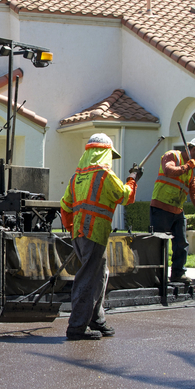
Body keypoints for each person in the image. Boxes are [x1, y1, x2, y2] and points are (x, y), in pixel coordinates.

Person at [59, 133, 141, 341]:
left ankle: (97, 320)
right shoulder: (105, 175)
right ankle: (77, 326)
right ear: (105, 153)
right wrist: (133, 179)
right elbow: (125, 196)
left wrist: (72, 229)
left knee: (100, 274)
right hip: (94, 234)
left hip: (79, 234)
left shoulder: (77, 177)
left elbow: (66, 205)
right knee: (88, 278)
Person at [150, 136, 195, 283]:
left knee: (181, 243)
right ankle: (157, 276)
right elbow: (168, 170)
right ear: (193, 149)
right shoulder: (172, 156)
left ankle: (178, 273)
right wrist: (186, 167)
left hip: (177, 210)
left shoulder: (193, 169)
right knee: (159, 243)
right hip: (161, 208)